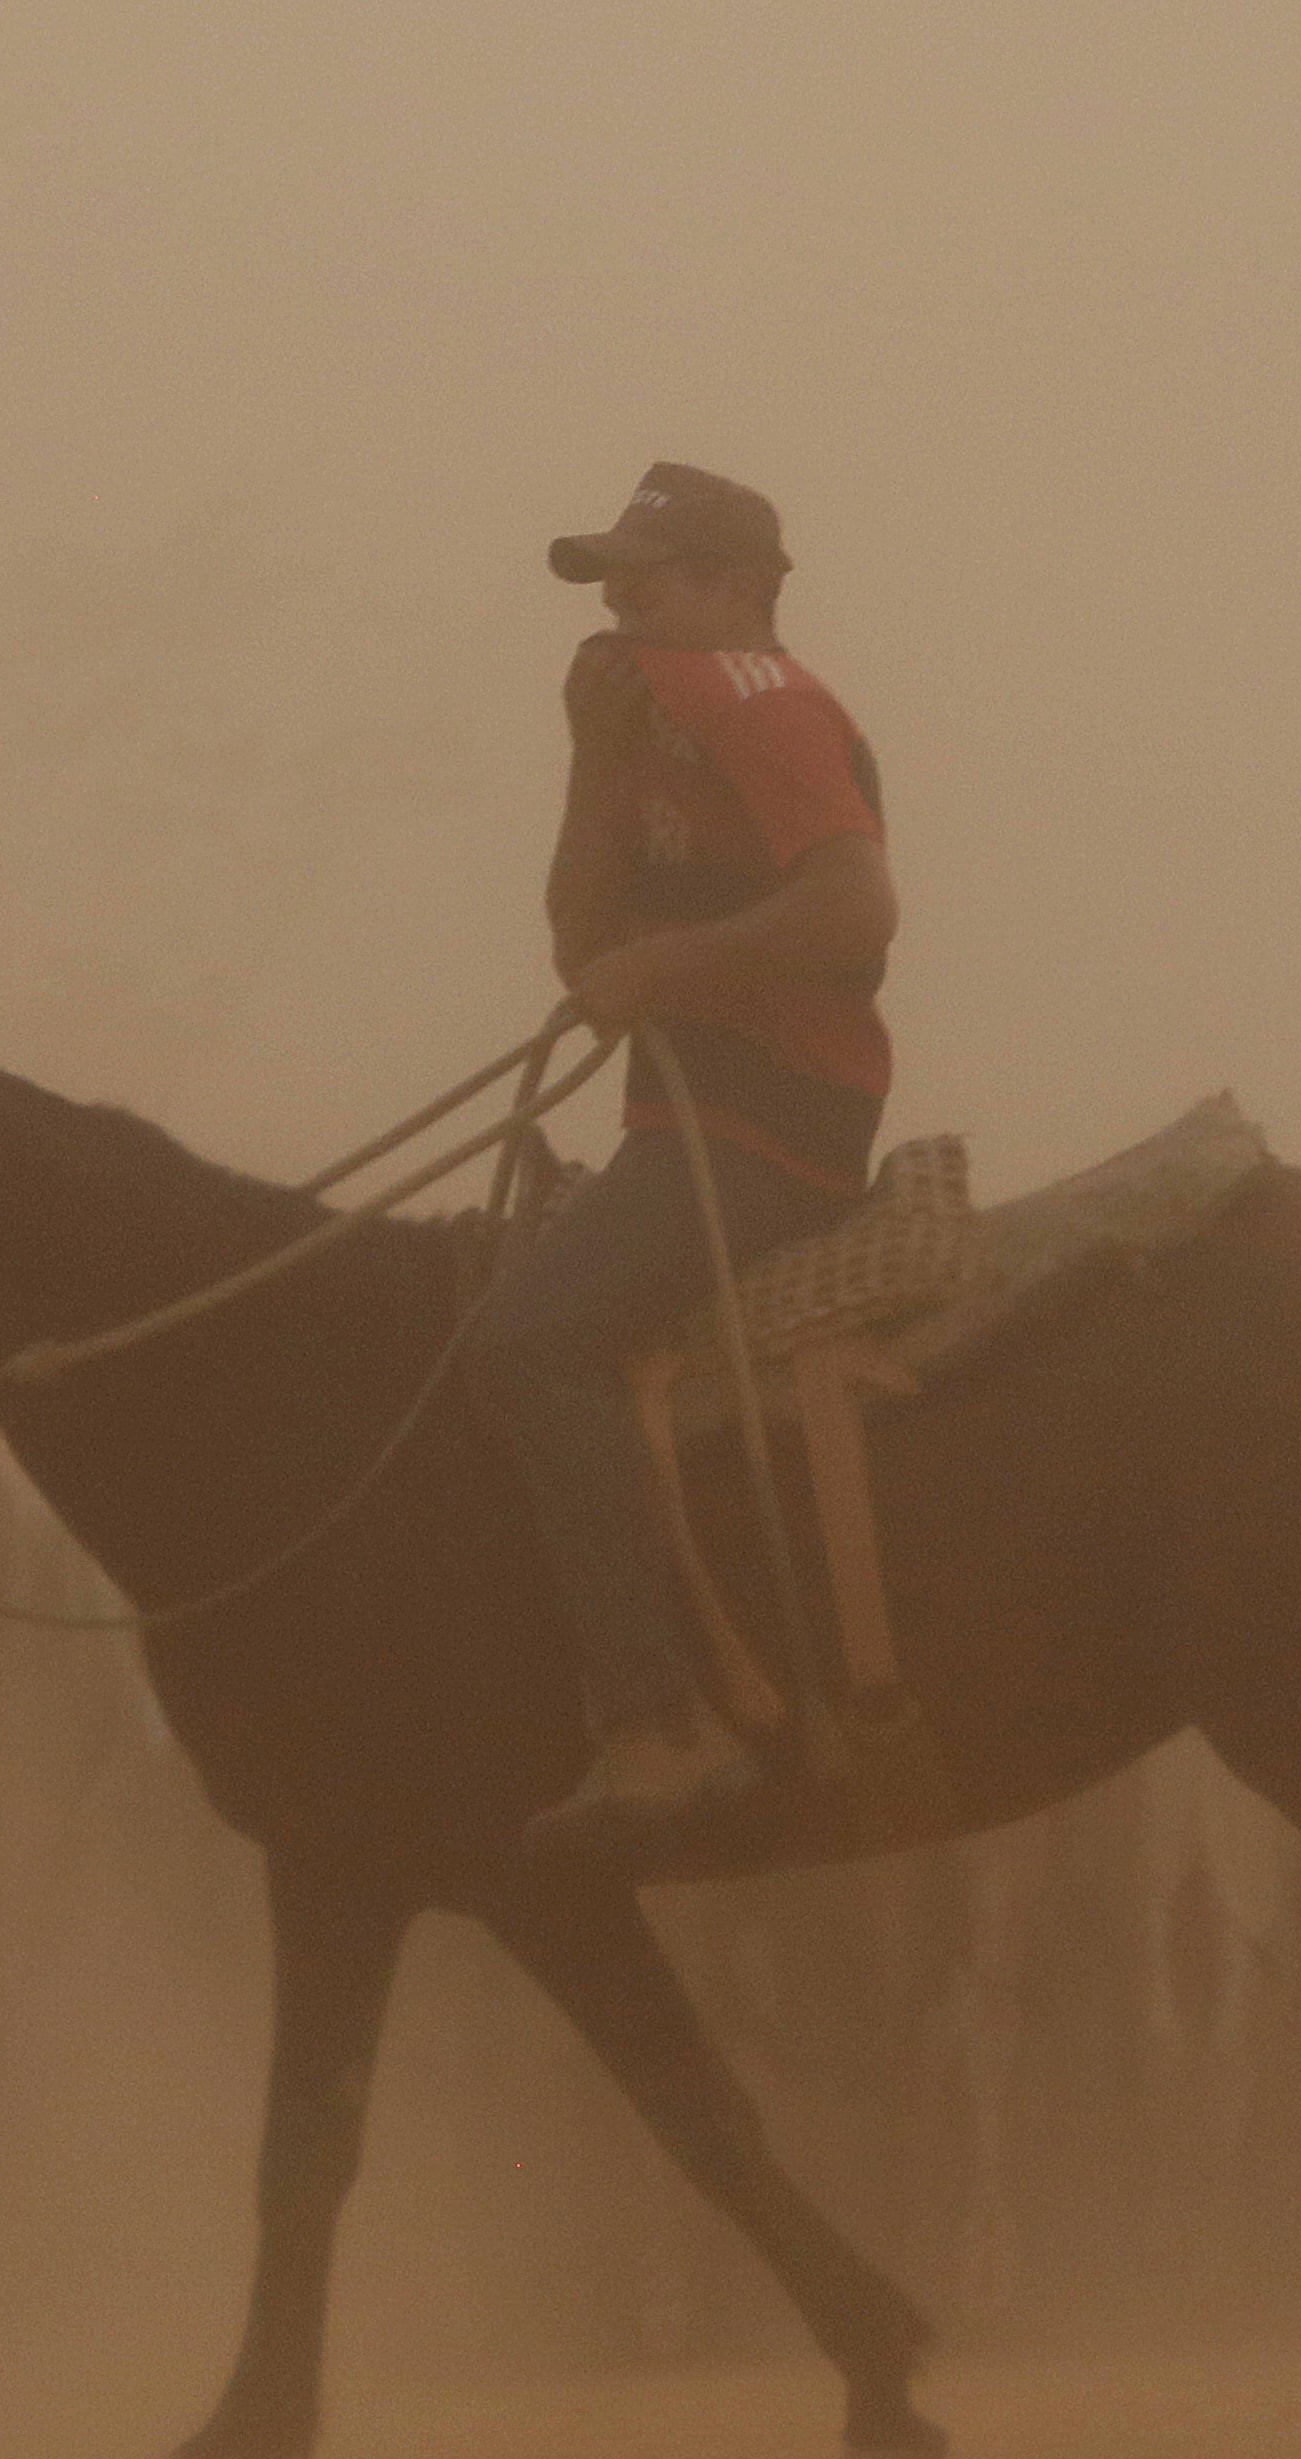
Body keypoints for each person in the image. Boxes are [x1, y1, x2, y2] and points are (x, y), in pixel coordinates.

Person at [466, 461, 902, 1848]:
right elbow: (580, 950)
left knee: (526, 1342)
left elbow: (854, 902)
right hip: (682, 1115)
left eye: (650, 576)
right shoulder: (650, 721)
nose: (622, 600)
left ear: (742, 589)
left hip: (772, 1119)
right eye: (611, 578)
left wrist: (675, 962)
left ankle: (659, 1724)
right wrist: (594, 759)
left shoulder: (764, 704)